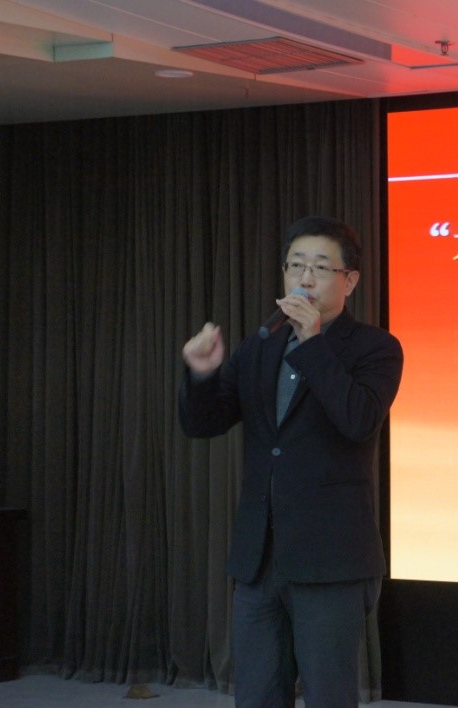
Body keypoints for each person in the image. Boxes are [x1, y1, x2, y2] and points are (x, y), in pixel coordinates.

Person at [178, 215, 403, 707]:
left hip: (331, 560)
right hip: (260, 559)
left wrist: (314, 342)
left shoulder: (376, 348)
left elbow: (358, 420)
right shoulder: (261, 345)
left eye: (320, 267)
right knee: (256, 696)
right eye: (296, 265)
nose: (305, 278)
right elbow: (204, 423)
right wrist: (201, 375)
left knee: (329, 696)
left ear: (350, 280)